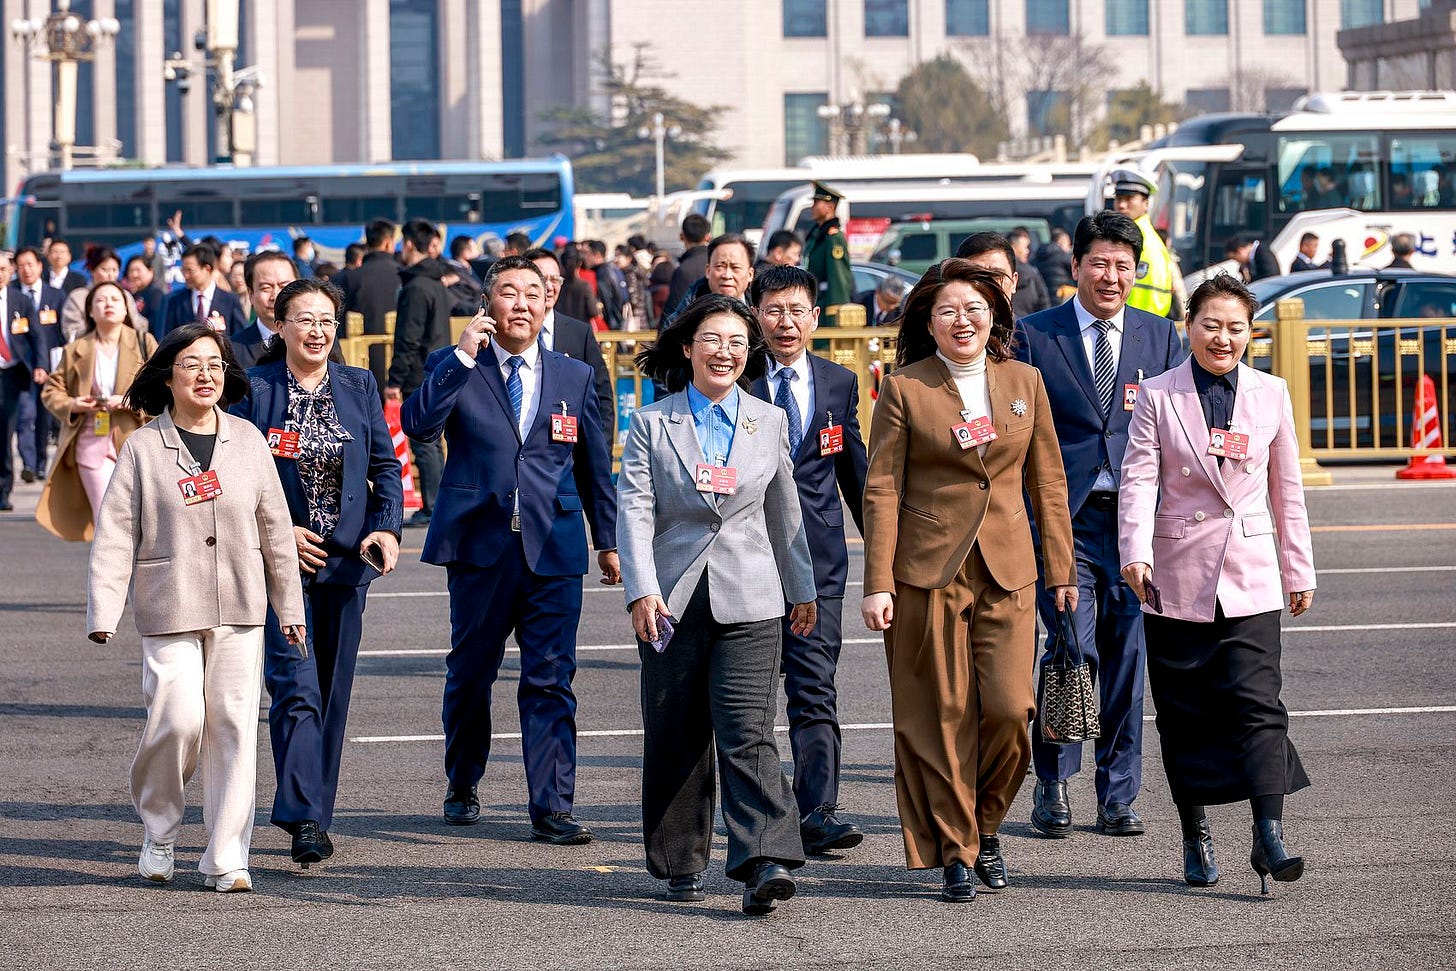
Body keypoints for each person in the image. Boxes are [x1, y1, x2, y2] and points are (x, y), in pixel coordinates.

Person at [860, 260, 1076, 902]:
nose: (963, 320)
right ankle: (957, 850)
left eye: (975, 308)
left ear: (995, 316)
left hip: (1009, 568)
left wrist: (1061, 569)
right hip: (928, 572)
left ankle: (984, 823)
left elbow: (1049, 482)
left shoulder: (1024, 381)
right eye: (949, 309)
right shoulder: (905, 388)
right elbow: (882, 488)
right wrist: (877, 582)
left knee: (1012, 711)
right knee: (942, 713)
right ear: (929, 320)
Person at [400, 256, 619, 844]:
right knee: (472, 673)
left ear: (548, 303)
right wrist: (464, 355)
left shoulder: (570, 375)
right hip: (480, 547)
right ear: (486, 304)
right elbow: (419, 426)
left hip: (554, 547)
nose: (520, 303)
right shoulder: (458, 365)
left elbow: (594, 462)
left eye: (532, 293)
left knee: (551, 677)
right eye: (507, 293)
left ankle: (552, 805)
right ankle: (463, 782)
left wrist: (609, 540)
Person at [86, 322, 307, 893]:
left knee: (234, 724)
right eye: (191, 364)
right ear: (168, 376)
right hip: (170, 600)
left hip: (240, 602)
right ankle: (159, 829)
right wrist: (104, 612)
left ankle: (227, 856)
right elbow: (114, 534)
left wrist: (290, 606)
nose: (205, 374)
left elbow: (277, 530)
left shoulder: (249, 440)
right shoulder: (141, 446)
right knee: (178, 719)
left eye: (214, 363)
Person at [619, 292, 816, 915]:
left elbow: (786, 509)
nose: (725, 351)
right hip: (671, 598)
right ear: (688, 348)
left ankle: (764, 860)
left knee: (748, 731)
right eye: (712, 340)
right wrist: (641, 589)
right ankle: (681, 861)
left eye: (736, 341)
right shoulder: (653, 423)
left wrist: (802, 587)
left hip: (752, 592)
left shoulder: (768, 420)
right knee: (676, 731)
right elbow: (635, 510)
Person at [1118, 274, 1316, 893]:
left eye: (1236, 327)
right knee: (1185, 714)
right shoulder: (1157, 394)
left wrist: (1298, 568)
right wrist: (1134, 552)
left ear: (1250, 333)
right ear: (1189, 327)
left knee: (1259, 705)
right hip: (1175, 573)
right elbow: (1140, 479)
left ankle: (1269, 831)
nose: (1223, 337)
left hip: (1252, 575)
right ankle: (1194, 831)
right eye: (1211, 325)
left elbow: (1287, 489)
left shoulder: (1271, 392)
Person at [1015, 210, 1184, 842]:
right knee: (1069, 646)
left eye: (1122, 266)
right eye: (1098, 264)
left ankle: (1119, 794)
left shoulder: (1161, 338)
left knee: (1126, 659)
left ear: (1136, 271)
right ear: (1076, 266)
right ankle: (1053, 783)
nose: (1110, 277)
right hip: (1066, 519)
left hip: (1137, 522)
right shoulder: (1036, 335)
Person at [230, 278, 403, 866]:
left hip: (347, 563)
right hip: (280, 569)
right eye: (304, 319)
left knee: (330, 693)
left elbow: (385, 467)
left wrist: (386, 528)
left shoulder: (358, 385)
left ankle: (314, 811)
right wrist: (277, 533)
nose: (317, 331)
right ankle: (304, 818)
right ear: (279, 326)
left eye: (327, 320)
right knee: (296, 687)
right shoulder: (255, 391)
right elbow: (235, 481)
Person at [748, 266, 869, 854]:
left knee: (815, 687)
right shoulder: (735, 379)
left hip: (819, 564)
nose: (786, 322)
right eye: (774, 310)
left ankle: (819, 809)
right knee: (748, 696)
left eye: (797, 310)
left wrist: (887, 556)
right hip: (745, 563)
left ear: (815, 317)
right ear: (756, 316)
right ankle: (758, 814)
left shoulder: (838, 383)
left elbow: (855, 476)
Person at [37, 282, 156, 538]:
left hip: (135, 440)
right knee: (106, 518)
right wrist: (73, 404)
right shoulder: (77, 348)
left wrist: (129, 401)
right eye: (101, 300)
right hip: (91, 443)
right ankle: (108, 574)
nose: (109, 304)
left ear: (126, 309)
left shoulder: (144, 343)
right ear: (90, 311)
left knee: (140, 520)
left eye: (115, 299)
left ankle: (134, 573)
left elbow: (161, 389)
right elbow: (51, 390)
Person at [386, 219, 452, 527]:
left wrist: (395, 378)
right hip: (437, 368)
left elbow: (408, 338)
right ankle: (436, 501)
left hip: (417, 373)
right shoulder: (436, 282)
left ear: (410, 244)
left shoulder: (416, 286)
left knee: (422, 441)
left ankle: (433, 504)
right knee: (433, 441)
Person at [525, 248, 615, 444]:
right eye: (541, 278)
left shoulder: (578, 334)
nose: (549, 286)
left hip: (568, 458)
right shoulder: (506, 333)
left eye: (555, 279)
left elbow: (602, 398)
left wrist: (601, 459)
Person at [14, 247, 66, 483]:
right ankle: (28, 463)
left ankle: (41, 464)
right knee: (25, 417)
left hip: (50, 367)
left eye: (30, 264)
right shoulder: (12, 293)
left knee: (44, 419)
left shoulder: (55, 296)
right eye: (21, 265)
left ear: (39, 266)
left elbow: (63, 333)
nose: (26, 269)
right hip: (20, 367)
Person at [0, 257, 43, 512]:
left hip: (11, 375)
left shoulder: (20, 300)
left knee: (5, 432)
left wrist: (40, 365)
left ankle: (3, 490)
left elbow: (36, 335)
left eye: (3, 269)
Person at [1108, 168, 1179, 318]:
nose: (1121, 205)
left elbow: (1150, 297)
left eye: (1129, 199)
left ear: (1145, 203)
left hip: (1137, 326)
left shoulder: (1141, 241)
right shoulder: (1132, 236)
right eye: (1119, 198)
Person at [61, 246, 149, 343]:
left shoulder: (125, 296)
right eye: (105, 270)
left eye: (114, 270)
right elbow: (72, 331)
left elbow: (139, 325)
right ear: (92, 270)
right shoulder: (78, 297)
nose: (110, 274)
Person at [160, 243, 247, 339]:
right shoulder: (176, 301)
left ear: (207, 269)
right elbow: (168, 338)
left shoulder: (230, 300)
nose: (186, 275)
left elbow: (240, 337)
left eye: (190, 270)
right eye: (183, 270)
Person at [232, 252, 299, 370]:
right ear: (251, 294)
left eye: (284, 287)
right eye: (266, 288)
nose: (275, 296)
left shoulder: (318, 339)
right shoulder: (233, 349)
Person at [801, 182, 854, 322]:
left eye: (816, 203)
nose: (812, 208)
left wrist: (835, 309)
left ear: (829, 206)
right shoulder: (818, 234)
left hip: (826, 307)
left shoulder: (833, 238)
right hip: (816, 300)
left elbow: (838, 277)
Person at [341, 218, 401, 339]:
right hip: (399, 352)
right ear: (388, 243)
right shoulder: (405, 276)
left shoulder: (349, 278)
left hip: (358, 354)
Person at [665, 213, 711, 311]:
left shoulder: (683, 270)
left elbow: (673, 312)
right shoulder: (717, 263)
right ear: (708, 237)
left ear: (682, 236)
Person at [1007, 227, 1051, 317]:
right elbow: (1043, 301)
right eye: (1026, 247)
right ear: (1012, 248)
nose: (1028, 251)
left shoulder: (999, 271)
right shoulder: (1032, 272)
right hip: (1029, 324)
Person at [123, 254, 169, 323]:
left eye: (138, 270)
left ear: (150, 271)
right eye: (131, 271)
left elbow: (156, 322)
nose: (134, 275)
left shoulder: (156, 293)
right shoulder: (133, 296)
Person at [1034, 228, 1075, 298]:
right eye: (1068, 243)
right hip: (1060, 296)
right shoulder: (1062, 256)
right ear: (1060, 243)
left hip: (1043, 297)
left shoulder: (1037, 257)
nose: (1070, 246)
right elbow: (1079, 267)